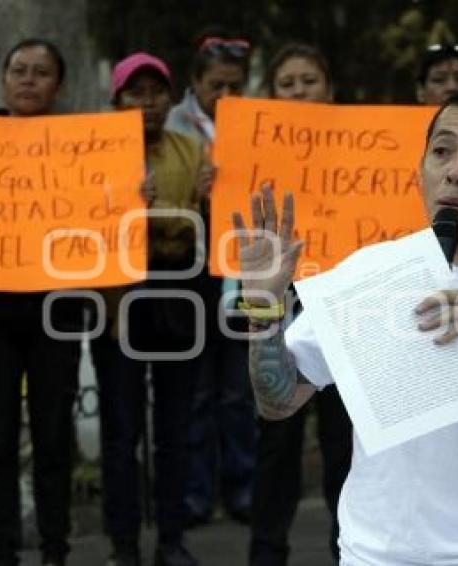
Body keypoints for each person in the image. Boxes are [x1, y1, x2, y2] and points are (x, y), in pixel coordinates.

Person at [233, 87, 458, 565]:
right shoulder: (368, 272)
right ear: (420, 171)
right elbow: (278, 400)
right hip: (371, 555)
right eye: (442, 151)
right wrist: (264, 307)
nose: (456, 171)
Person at [0, 38, 83, 566]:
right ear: (4, 80)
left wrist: (132, 193)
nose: (28, 80)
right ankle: (4, 550)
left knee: (55, 436)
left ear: (58, 85)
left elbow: (102, 210)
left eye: (40, 72)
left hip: (56, 308)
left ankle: (56, 549)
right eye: (19, 70)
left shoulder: (84, 147)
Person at [91, 52, 208, 566]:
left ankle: (171, 539)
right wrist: (128, 203)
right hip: (116, 292)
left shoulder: (193, 150)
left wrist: (196, 205)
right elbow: (84, 224)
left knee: (175, 428)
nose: (147, 102)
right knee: (121, 430)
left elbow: (200, 228)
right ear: (116, 100)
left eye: (156, 91)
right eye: (134, 92)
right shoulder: (91, 155)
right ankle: (122, 544)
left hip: (178, 288)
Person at [248, 43, 352, 566]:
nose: (298, 91)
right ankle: (267, 553)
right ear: (271, 95)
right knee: (276, 447)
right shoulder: (252, 154)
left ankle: (347, 551)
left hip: (347, 315)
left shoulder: (364, 152)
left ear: (330, 91)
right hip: (281, 314)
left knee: (345, 443)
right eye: (286, 83)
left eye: (308, 81)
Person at [166, 27, 257, 527]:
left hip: (246, 273)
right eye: (216, 86)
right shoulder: (174, 128)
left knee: (239, 388)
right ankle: (196, 493)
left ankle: (241, 488)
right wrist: (193, 188)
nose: (225, 96)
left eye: (234, 86)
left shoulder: (260, 126)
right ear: (195, 84)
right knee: (198, 391)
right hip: (193, 273)